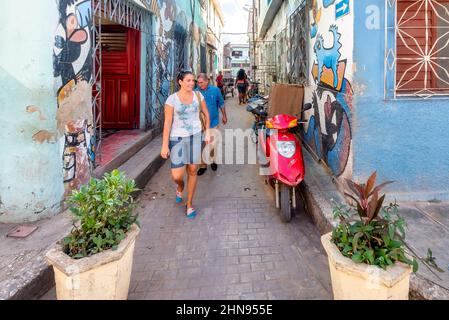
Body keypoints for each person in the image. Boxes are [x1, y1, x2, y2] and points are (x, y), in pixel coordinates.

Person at [160, 71, 211, 219]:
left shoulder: (198, 96)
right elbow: (167, 123)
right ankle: (180, 186)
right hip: (177, 138)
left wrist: (207, 132)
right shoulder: (172, 100)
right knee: (177, 175)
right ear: (180, 82)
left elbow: (206, 114)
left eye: (192, 81)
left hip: (195, 136)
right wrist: (164, 145)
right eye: (187, 80)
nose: (191, 83)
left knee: (193, 169)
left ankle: (189, 204)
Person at [195, 73, 227, 176]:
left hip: (213, 122)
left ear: (207, 81)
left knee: (212, 144)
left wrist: (224, 116)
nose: (199, 85)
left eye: (201, 82)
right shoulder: (195, 92)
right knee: (201, 145)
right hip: (200, 124)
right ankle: (203, 165)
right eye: (198, 83)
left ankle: (213, 160)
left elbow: (221, 103)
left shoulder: (215, 90)